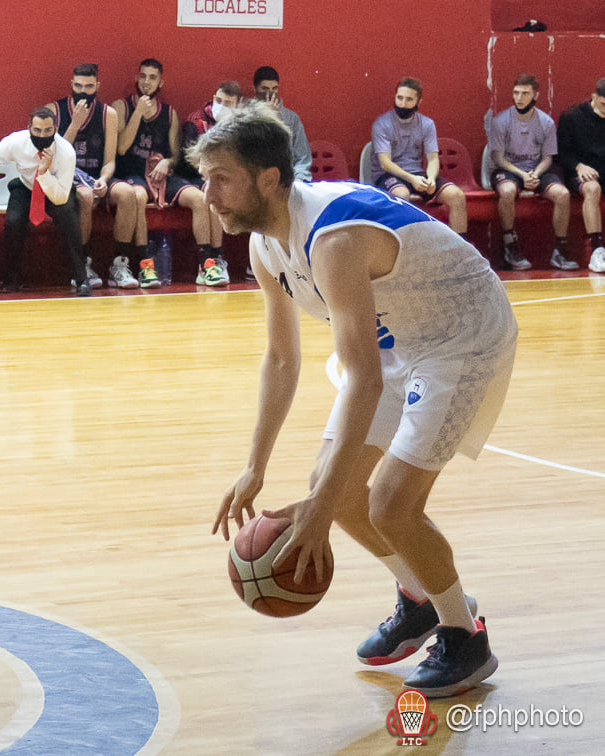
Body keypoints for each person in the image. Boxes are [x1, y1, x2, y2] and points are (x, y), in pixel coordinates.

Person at [195, 104, 515, 698]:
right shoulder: (267, 244)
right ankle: (420, 597)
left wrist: (318, 504)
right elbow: (281, 359)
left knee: (391, 503)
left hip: (461, 334)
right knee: (333, 488)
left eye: (220, 177)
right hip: (397, 336)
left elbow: (363, 378)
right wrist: (254, 466)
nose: (207, 193)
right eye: (206, 177)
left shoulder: (332, 237)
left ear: (269, 177)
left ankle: (465, 637)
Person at [0, 106, 91, 296]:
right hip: (26, 187)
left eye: (47, 131)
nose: (42, 135)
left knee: (69, 219)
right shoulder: (18, 141)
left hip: (55, 190)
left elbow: (60, 197)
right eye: (37, 130)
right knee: (13, 222)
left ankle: (81, 278)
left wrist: (44, 173)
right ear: (29, 127)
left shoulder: (66, 152)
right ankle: (11, 278)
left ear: (55, 129)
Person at [110, 58, 215, 289]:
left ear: (161, 82)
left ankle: (206, 265)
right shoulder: (121, 107)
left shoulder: (169, 114)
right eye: (143, 76)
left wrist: (167, 162)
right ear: (137, 78)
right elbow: (121, 148)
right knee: (136, 197)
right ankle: (144, 265)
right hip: (132, 172)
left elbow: (177, 156)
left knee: (199, 199)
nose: (147, 82)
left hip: (160, 176)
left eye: (153, 77)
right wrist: (138, 113)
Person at [488, 74, 578, 271]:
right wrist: (522, 175)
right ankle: (510, 245)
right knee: (507, 191)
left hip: (538, 170)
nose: (519, 98)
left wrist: (535, 174)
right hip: (509, 169)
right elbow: (498, 158)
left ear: (535, 95)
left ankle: (560, 251)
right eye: (516, 93)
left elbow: (548, 157)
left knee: (562, 194)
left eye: (525, 93)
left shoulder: (546, 122)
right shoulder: (501, 121)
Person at [45, 63, 119, 290]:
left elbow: (110, 161)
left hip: (95, 177)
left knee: (127, 194)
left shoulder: (109, 114)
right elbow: (55, 157)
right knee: (85, 196)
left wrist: (104, 180)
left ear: (97, 86)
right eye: (78, 85)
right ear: (71, 84)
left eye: (88, 86)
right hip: (64, 177)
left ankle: (121, 265)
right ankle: (82, 263)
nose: (83, 91)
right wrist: (75, 124)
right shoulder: (54, 110)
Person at [370, 77, 469, 238]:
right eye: (399, 98)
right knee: (401, 196)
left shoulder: (427, 124)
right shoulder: (381, 124)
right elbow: (385, 163)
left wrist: (430, 178)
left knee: (456, 196)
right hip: (389, 175)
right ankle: (403, 250)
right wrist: (412, 179)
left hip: (417, 174)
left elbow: (433, 159)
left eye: (409, 99)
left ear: (418, 101)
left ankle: (461, 252)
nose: (402, 103)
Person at [179, 80, 244, 285]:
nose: (221, 105)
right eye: (218, 100)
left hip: (227, 179)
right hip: (194, 177)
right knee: (214, 196)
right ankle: (207, 262)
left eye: (227, 103)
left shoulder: (241, 125)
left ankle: (219, 258)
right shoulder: (195, 121)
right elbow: (187, 161)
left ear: (237, 104)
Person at [557, 77, 605, 273]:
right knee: (592, 187)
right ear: (594, 97)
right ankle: (597, 250)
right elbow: (561, 153)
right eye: (604, 104)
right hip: (582, 171)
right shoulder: (572, 116)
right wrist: (578, 166)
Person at [252, 67, 312, 182]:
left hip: (286, 183)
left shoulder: (291, 119)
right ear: (255, 89)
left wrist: (298, 184)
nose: (269, 93)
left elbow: (303, 160)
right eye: (264, 88)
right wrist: (269, 119)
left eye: (274, 88)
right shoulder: (246, 116)